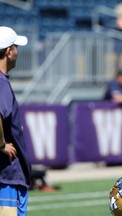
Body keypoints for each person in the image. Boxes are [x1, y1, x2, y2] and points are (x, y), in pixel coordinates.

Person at [0, 26, 32, 215]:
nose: (18, 53)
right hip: (7, 176)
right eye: (16, 48)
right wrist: (2, 144)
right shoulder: (1, 83)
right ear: (9, 51)